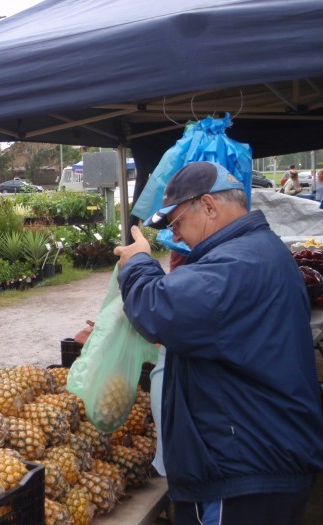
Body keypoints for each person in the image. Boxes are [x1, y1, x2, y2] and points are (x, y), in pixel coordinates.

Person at [114, 161, 323, 525]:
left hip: (242, 471)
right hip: (255, 459)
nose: (176, 237)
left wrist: (138, 264)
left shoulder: (238, 262)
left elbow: (159, 309)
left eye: (177, 223)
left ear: (209, 206)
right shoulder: (255, 251)